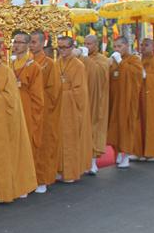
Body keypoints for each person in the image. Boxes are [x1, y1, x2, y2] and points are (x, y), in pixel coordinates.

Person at [0, 38, 37, 202]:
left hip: (4, 121)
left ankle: (12, 188)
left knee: (7, 155)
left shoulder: (5, 71)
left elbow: (11, 99)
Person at [56, 36, 93, 182]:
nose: (62, 50)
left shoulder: (78, 65)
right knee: (59, 139)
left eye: (65, 47)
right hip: (59, 108)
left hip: (71, 109)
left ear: (72, 48)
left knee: (70, 140)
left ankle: (71, 172)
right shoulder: (56, 63)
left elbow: (80, 91)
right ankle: (60, 169)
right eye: (60, 47)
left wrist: (63, 93)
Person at [10, 32, 44, 188]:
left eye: (20, 42)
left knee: (28, 145)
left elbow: (38, 97)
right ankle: (16, 180)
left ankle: (29, 181)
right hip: (12, 111)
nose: (16, 45)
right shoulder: (9, 65)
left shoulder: (33, 66)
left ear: (27, 45)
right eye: (14, 42)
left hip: (27, 111)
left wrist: (35, 115)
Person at [29, 31, 60, 192]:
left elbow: (54, 91)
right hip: (29, 109)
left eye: (34, 42)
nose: (31, 45)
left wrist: (37, 96)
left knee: (43, 144)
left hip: (44, 110)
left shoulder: (49, 63)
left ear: (42, 43)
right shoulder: (26, 62)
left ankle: (42, 179)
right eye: (30, 42)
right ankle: (29, 178)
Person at [107, 37, 144, 168]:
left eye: (119, 46)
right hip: (115, 100)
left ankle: (126, 156)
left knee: (126, 127)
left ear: (127, 46)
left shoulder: (134, 60)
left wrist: (120, 62)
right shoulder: (114, 61)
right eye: (115, 47)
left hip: (128, 101)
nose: (117, 49)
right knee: (115, 127)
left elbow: (135, 76)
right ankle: (117, 152)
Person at [81, 35, 110, 175]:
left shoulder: (102, 60)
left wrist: (86, 59)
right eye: (85, 43)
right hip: (82, 99)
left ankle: (92, 162)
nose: (86, 46)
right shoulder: (80, 58)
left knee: (94, 129)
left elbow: (98, 75)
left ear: (96, 45)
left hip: (97, 101)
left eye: (89, 44)